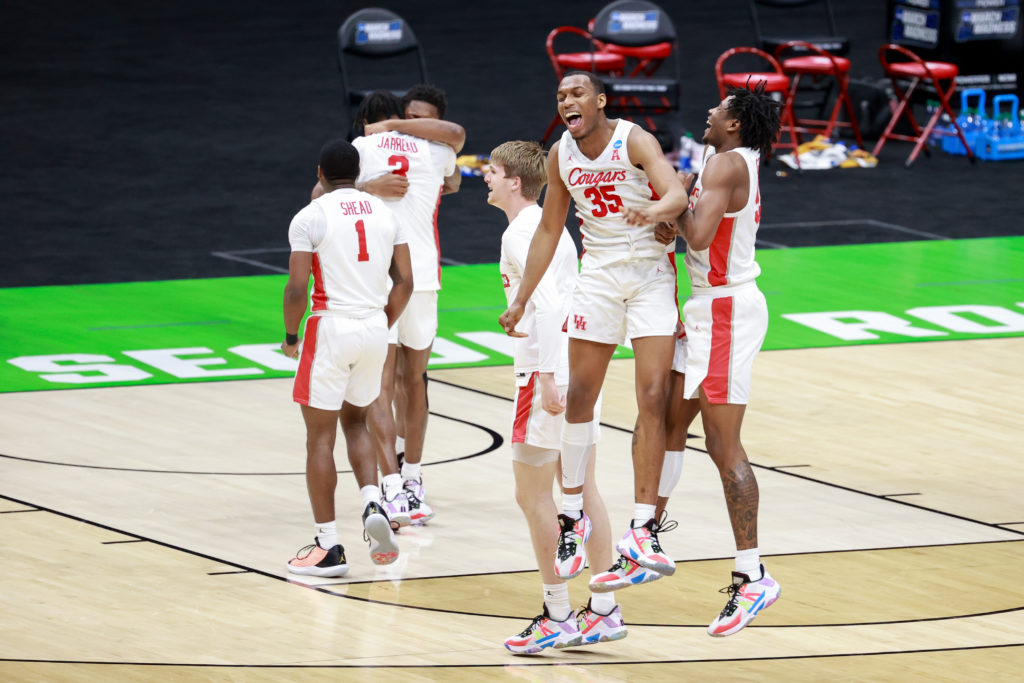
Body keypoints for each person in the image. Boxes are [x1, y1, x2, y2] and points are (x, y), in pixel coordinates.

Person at [499, 71, 690, 583]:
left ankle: (644, 527)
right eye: (560, 95)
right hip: (599, 276)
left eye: (577, 93)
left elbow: (676, 193)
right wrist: (520, 301)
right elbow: (547, 228)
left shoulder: (635, 139)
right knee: (579, 396)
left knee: (652, 395)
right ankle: (572, 514)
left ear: (600, 101)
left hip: (649, 274)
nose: (567, 101)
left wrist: (653, 208)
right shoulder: (561, 155)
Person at [650, 83, 783, 636]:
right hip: (706, 309)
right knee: (668, 424)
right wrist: (678, 204)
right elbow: (684, 229)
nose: (709, 110)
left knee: (724, 445)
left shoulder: (727, 163)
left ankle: (752, 574)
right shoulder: (722, 158)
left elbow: (698, 238)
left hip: (727, 310)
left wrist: (677, 201)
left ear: (734, 124)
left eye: (719, 108)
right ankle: (645, 535)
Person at [485, 141, 626, 653]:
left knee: (533, 495)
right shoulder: (549, 227)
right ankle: (605, 610)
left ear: (515, 181)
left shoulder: (524, 233)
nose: (486, 177)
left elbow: (543, 308)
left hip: (547, 374)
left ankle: (558, 613)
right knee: (582, 489)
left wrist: (544, 376)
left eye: (493, 171)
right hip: (578, 368)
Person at [327, 90, 462, 528]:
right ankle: (413, 479)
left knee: (381, 385)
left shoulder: (361, 148)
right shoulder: (437, 149)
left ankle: (392, 490)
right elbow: (456, 156)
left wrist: (366, 182)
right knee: (415, 381)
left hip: (380, 279)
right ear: (401, 116)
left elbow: (320, 193)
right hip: (421, 276)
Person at [283, 139, 413, 577]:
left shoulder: (310, 216)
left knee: (319, 440)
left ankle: (329, 547)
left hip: (330, 327)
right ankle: (373, 501)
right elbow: (406, 281)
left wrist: (289, 335)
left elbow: (297, 288)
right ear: (357, 173)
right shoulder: (386, 213)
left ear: (320, 172)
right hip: (374, 328)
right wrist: (383, 320)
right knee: (356, 422)